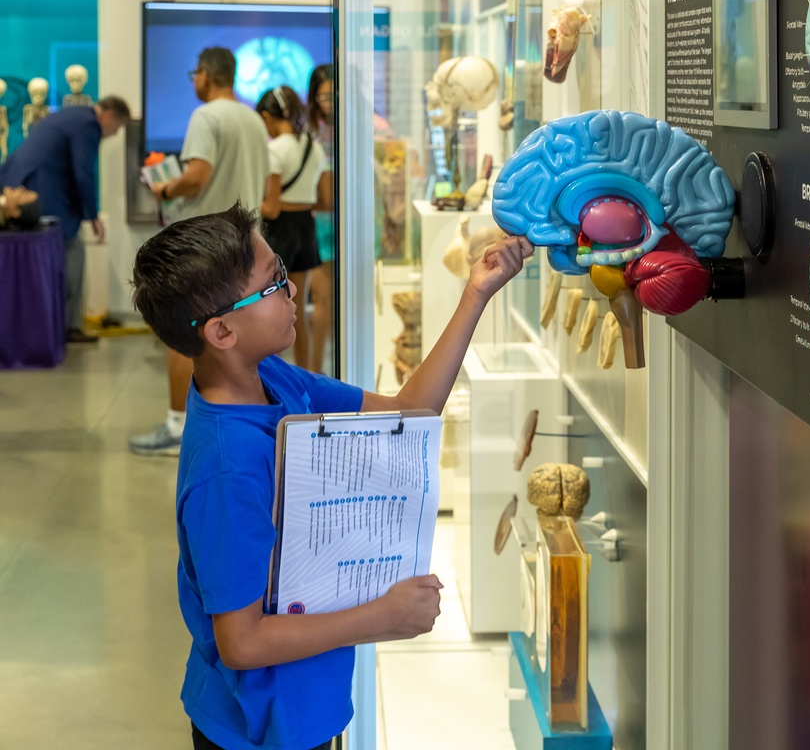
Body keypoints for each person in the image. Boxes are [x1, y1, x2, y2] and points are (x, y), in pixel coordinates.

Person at [130, 202, 532, 750]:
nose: (293, 289)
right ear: (223, 331)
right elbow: (241, 645)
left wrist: (476, 293)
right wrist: (381, 616)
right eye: (274, 283)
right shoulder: (228, 470)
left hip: (305, 703)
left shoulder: (266, 375)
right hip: (256, 730)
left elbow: (406, 417)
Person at [129, 46, 269, 456]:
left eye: (195, 74)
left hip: (204, 249)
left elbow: (197, 176)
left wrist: (164, 188)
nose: (193, 81)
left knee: (183, 334)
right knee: (236, 341)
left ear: (206, 75)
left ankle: (177, 426)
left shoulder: (206, 116)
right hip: (245, 247)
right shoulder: (253, 119)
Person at [0, 95, 131, 342]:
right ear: (109, 116)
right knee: (73, 249)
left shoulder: (71, 115)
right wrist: (93, 216)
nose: (113, 134)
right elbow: (83, 173)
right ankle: (67, 328)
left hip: (17, 183)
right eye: (117, 128)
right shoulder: (89, 125)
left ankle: (49, 327)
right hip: (40, 191)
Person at [256, 85, 326, 369]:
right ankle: (306, 374)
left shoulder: (273, 150)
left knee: (272, 310)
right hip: (306, 228)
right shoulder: (315, 147)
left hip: (280, 230)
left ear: (267, 117)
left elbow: (271, 207)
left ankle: (274, 379)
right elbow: (322, 198)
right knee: (297, 310)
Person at [305, 64, 336, 374]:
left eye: (333, 93)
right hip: (320, 220)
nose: (329, 100)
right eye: (323, 95)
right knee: (322, 298)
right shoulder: (308, 131)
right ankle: (315, 370)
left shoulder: (354, 125)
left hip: (349, 220)